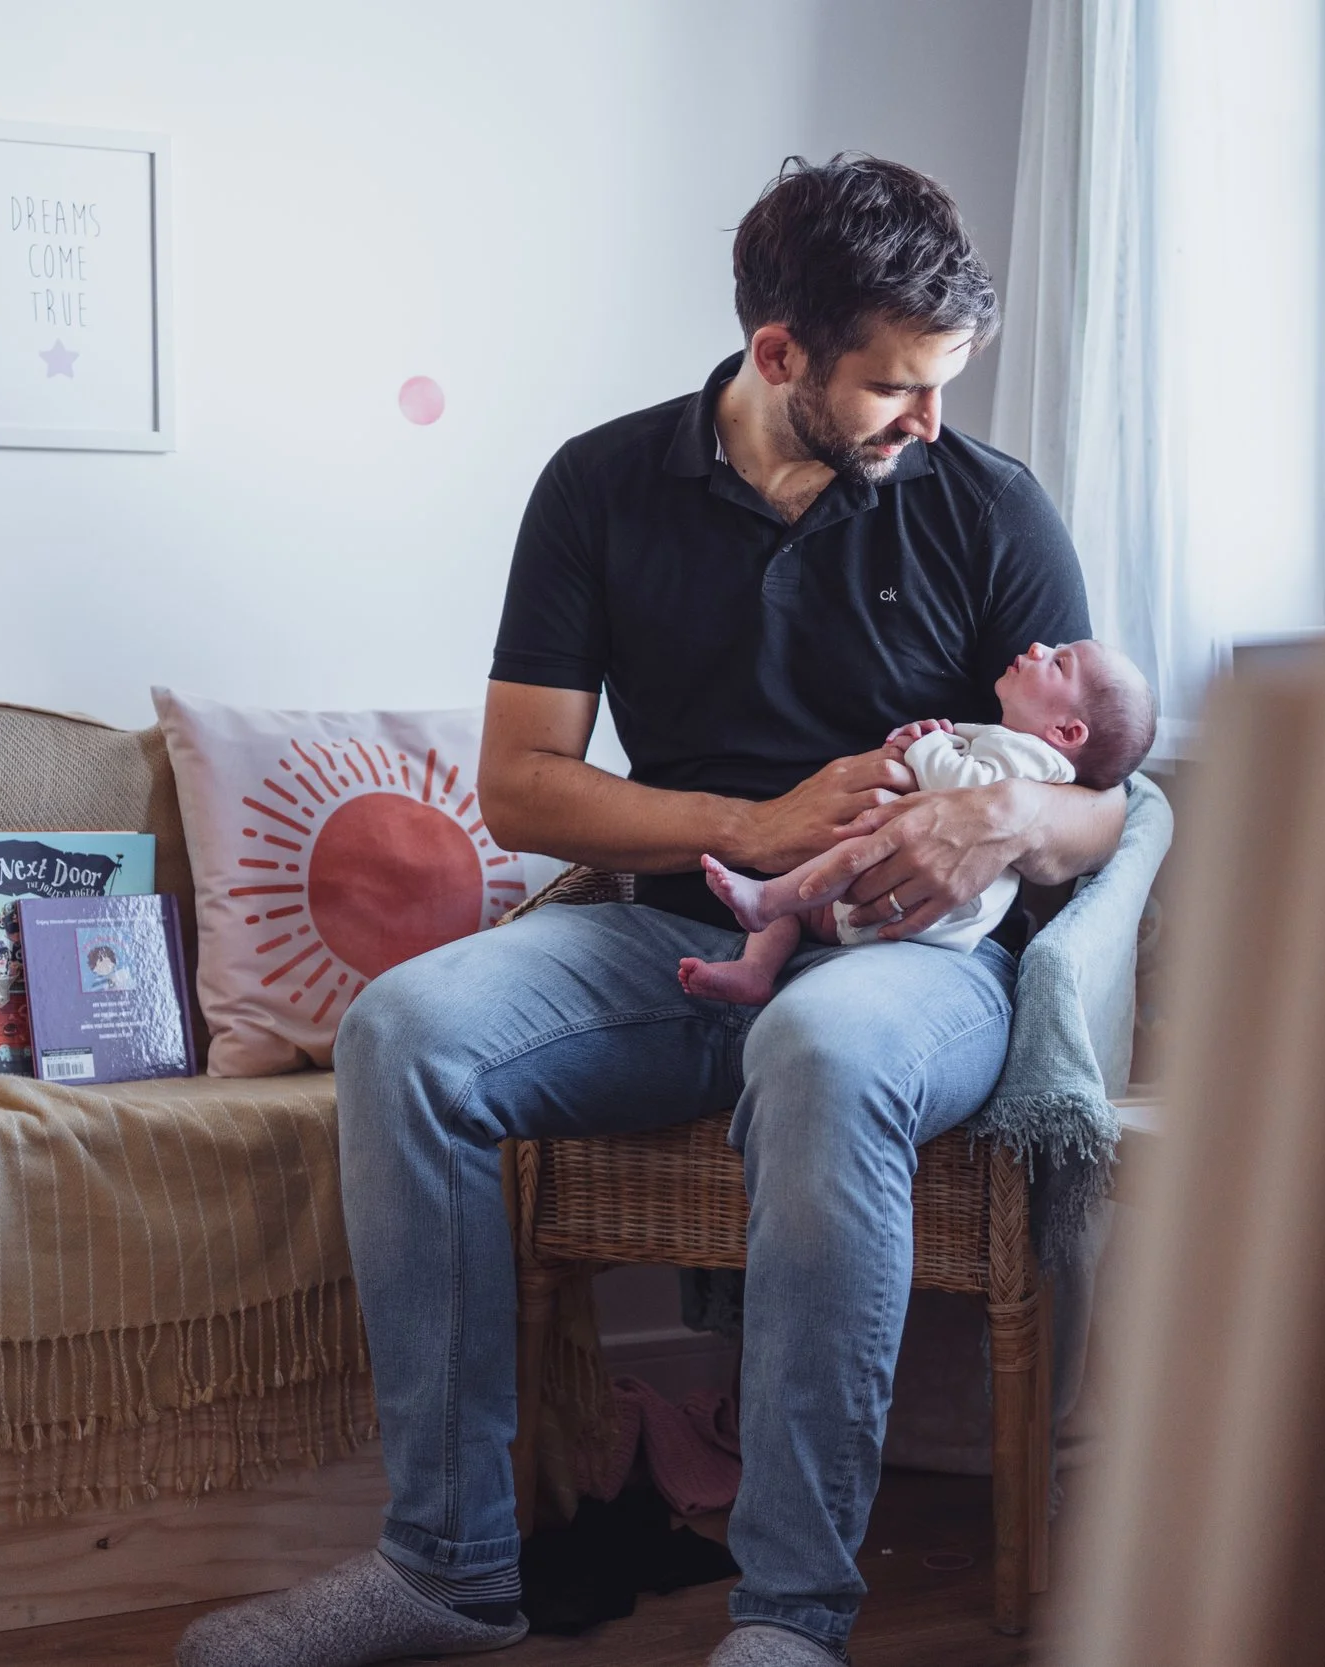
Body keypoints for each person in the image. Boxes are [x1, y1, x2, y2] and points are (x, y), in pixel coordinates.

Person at [178, 154, 1141, 1667]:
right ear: (779, 355)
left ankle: (790, 1617)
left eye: (943, 385)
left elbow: (1109, 800)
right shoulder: (599, 486)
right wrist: (746, 823)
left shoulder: (986, 507)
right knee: (403, 1030)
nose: (929, 422)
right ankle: (446, 1568)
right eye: (897, 387)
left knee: (821, 1053)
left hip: (907, 965)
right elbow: (523, 787)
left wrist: (1003, 812)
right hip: (660, 931)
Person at [677, 638, 1154, 1005]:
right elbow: (957, 758)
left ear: (1066, 732)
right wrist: (931, 736)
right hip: (909, 908)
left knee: (846, 851)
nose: (1038, 647)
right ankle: (755, 971)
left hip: (928, 906)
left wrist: (925, 747)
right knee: (806, 899)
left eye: (1058, 662)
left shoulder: (1032, 759)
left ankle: (766, 902)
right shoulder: (1009, 743)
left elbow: (962, 781)